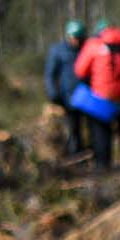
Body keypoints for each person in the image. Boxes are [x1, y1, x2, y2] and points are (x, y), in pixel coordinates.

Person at [70, 23, 120, 168]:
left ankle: (103, 166)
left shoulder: (93, 45)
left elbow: (80, 70)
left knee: (101, 132)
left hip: (102, 97)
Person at [46, 21, 90, 157]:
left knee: (90, 127)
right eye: (74, 37)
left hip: (88, 96)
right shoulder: (58, 51)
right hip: (68, 97)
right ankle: (75, 154)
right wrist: (53, 93)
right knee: (73, 127)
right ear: (68, 36)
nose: (76, 41)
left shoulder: (87, 49)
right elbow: (50, 74)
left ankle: (91, 152)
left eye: (79, 38)